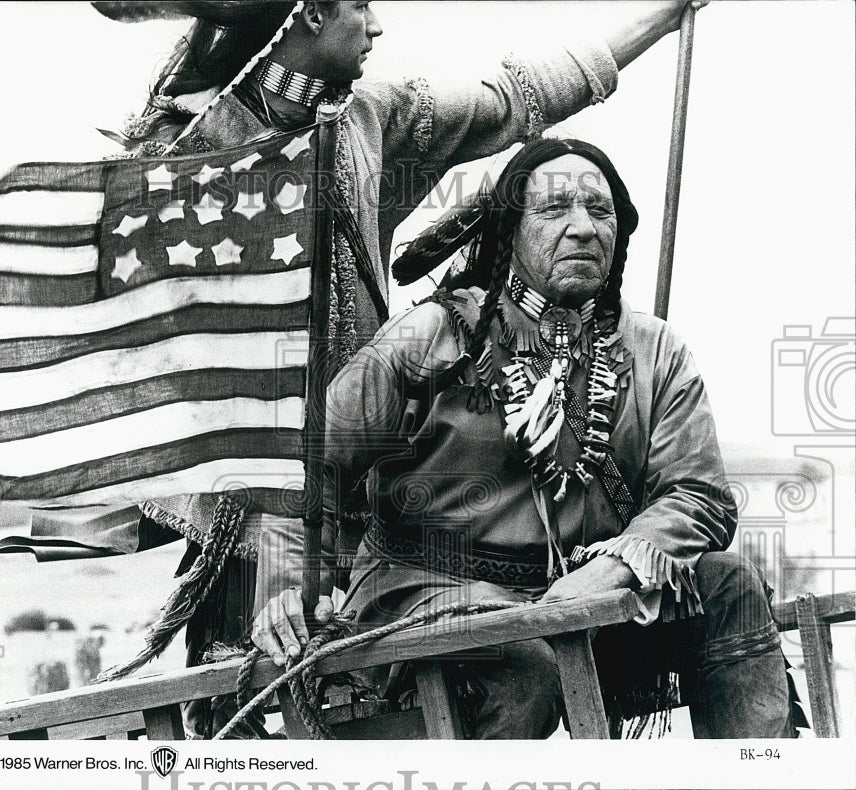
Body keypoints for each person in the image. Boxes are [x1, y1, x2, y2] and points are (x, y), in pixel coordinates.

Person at [95, 0, 713, 735]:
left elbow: (520, 99)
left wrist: (663, 15)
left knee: (444, 680)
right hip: (247, 497)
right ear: (311, 15)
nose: (377, 27)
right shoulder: (185, 150)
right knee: (249, 701)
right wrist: (286, 572)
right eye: (361, 6)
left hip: (366, 482)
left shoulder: (372, 119)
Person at [252, 137, 800, 738]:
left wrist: (616, 567)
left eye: (601, 209)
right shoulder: (432, 335)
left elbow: (697, 496)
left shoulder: (655, 352)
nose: (583, 228)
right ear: (509, 232)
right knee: (519, 655)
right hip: (430, 589)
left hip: (582, 590)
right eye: (554, 210)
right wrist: (285, 585)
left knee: (733, 588)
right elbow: (307, 470)